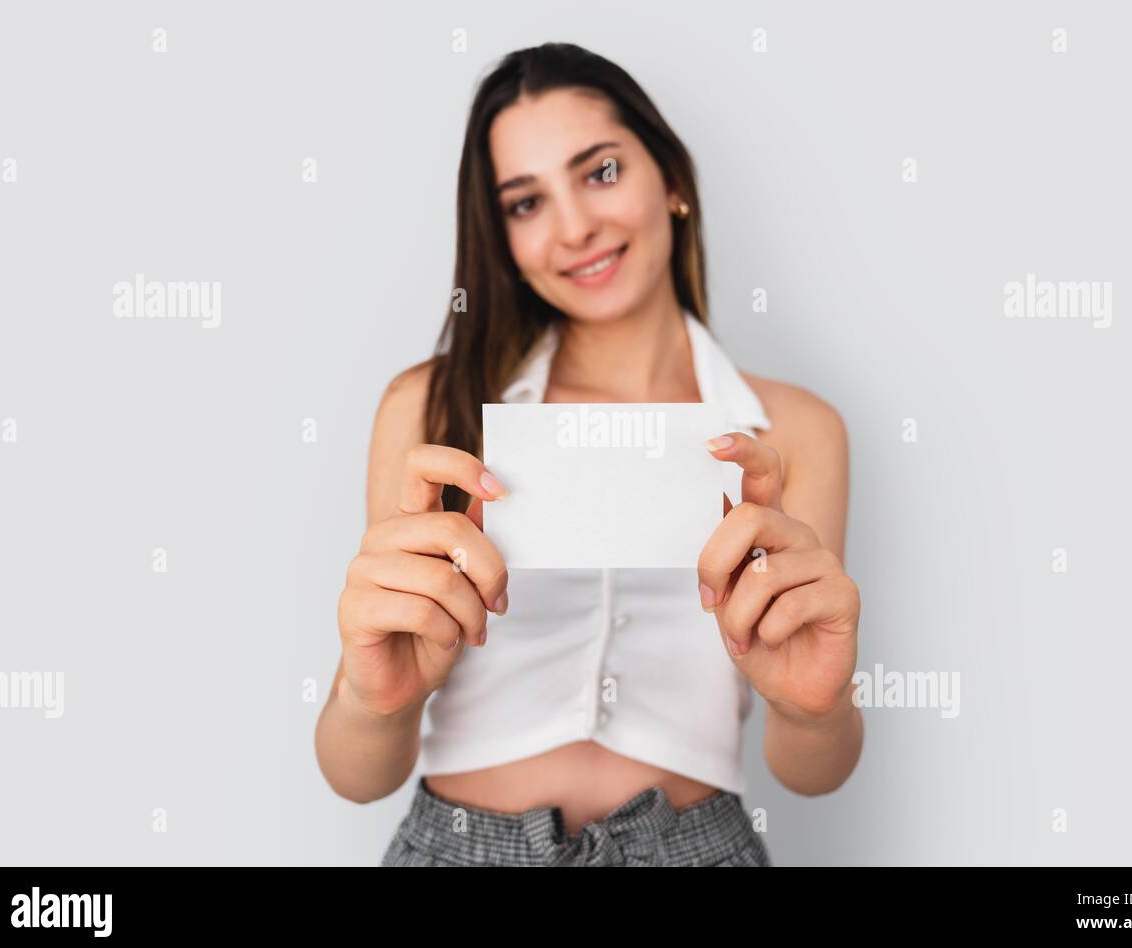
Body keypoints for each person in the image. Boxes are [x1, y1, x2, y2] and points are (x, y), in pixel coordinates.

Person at [314, 42, 863, 866]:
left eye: (599, 171)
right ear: (501, 238)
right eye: (526, 203)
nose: (575, 227)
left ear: (671, 181)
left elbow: (815, 772)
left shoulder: (794, 430)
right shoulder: (431, 407)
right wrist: (377, 701)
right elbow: (354, 774)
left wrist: (813, 711)